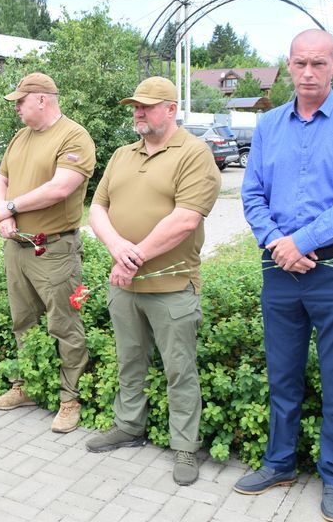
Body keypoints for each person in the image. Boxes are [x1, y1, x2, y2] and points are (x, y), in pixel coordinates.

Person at [236, 29, 333, 522]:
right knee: (282, 375)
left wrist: (303, 241)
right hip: (279, 268)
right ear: (288, 65)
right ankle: (279, 463)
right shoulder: (269, 125)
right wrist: (280, 244)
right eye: (300, 63)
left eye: (318, 63)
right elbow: (252, 194)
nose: (307, 72)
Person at [85, 77, 221, 486]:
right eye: (135, 106)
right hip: (124, 285)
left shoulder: (195, 154)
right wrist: (117, 250)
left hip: (172, 286)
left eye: (146, 106)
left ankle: (185, 445)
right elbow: (97, 207)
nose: (138, 113)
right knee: (129, 359)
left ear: (171, 109)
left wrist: (134, 256)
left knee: (179, 369)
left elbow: (185, 219)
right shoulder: (123, 155)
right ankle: (129, 425)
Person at [0, 72, 96, 433]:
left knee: (64, 325)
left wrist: (11, 207)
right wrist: (3, 212)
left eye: (20, 100)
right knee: (23, 321)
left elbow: (60, 188)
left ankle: (70, 399)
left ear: (41, 99)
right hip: (18, 245)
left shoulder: (74, 136)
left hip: (54, 248)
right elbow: (0, 178)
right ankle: (26, 386)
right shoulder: (20, 137)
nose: (16, 107)